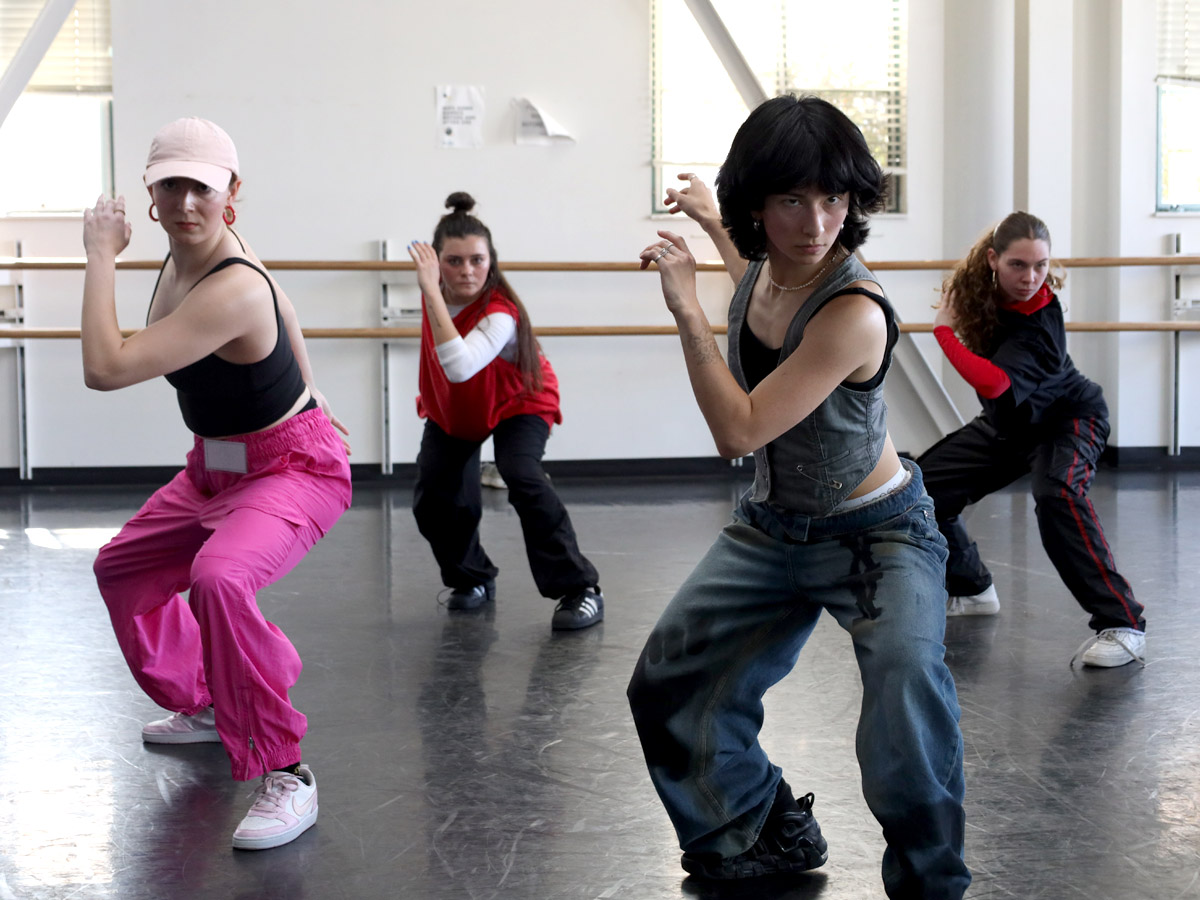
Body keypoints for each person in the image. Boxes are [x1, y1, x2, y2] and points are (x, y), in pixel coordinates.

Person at [626, 95, 971, 899]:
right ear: (757, 206)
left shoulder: (855, 311)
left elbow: (738, 430)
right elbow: (751, 277)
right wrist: (709, 218)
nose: (816, 224)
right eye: (790, 200)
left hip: (877, 537)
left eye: (833, 199)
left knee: (906, 701)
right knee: (667, 681)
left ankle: (931, 885)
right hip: (774, 527)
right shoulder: (768, 271)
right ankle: (756, 828)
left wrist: (684, 308)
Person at [83, 117, 352, 850]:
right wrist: (311, 384)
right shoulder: (188, 256)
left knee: (220, 579)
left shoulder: (229, 284)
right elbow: (286, 304)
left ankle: (287, 771)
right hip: (214, 467)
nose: (185, 202)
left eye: (201, 187)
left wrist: (100, 256)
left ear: (231, 192)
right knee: (121, 568)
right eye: (170, 184)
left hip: (291, 469)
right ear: (151, 192)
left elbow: (105, 368)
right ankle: (207, 700)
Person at [917, 211, 1146, 667]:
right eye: (1018, 265)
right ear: (993, 260)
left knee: (1058, 494)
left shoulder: (1042, 318)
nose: (1030, 278)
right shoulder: (980, 293)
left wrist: (942, 331)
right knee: (923, 488)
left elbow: (994, 382)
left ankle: (1124, 624)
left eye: (1040, 265)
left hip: (1068, 420)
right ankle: (971, 588)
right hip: (1011, 426)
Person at [406, 192, 604, 631]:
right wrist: (432, 290)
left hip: (520, 399)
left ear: (491, 262)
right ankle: (472, 577)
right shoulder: (437, 292)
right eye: (454, 261)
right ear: (437, 263)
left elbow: (460, 366)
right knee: (434, 498)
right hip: (460, 406)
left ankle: (581, 589)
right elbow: (455, 379)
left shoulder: (500, 312)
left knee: (521, 474)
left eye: (477, 260)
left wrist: (429, 288)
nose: (467, 271)